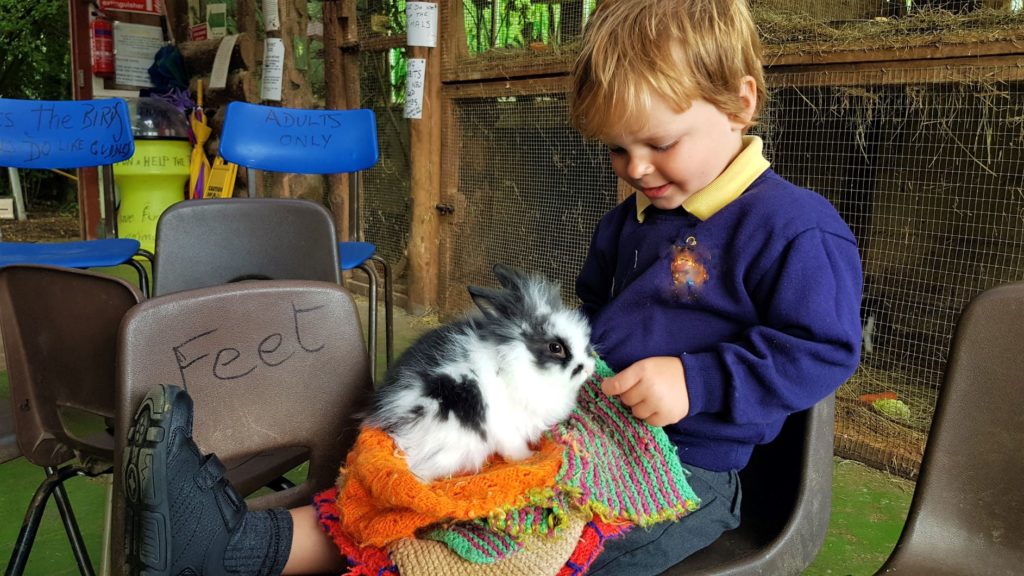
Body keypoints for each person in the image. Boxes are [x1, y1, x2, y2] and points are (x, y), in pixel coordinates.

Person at [122, 0, 862, 574]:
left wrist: (698, 381)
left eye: (659, 144)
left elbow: (823, 350)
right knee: (429, 474)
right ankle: (244, 544)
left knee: (510, 540)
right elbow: (595, 325)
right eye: (617, 149)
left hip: (688, 476)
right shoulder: (631, 221)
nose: (636, 168)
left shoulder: (795, 228)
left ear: (741, 101)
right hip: (586, 434)